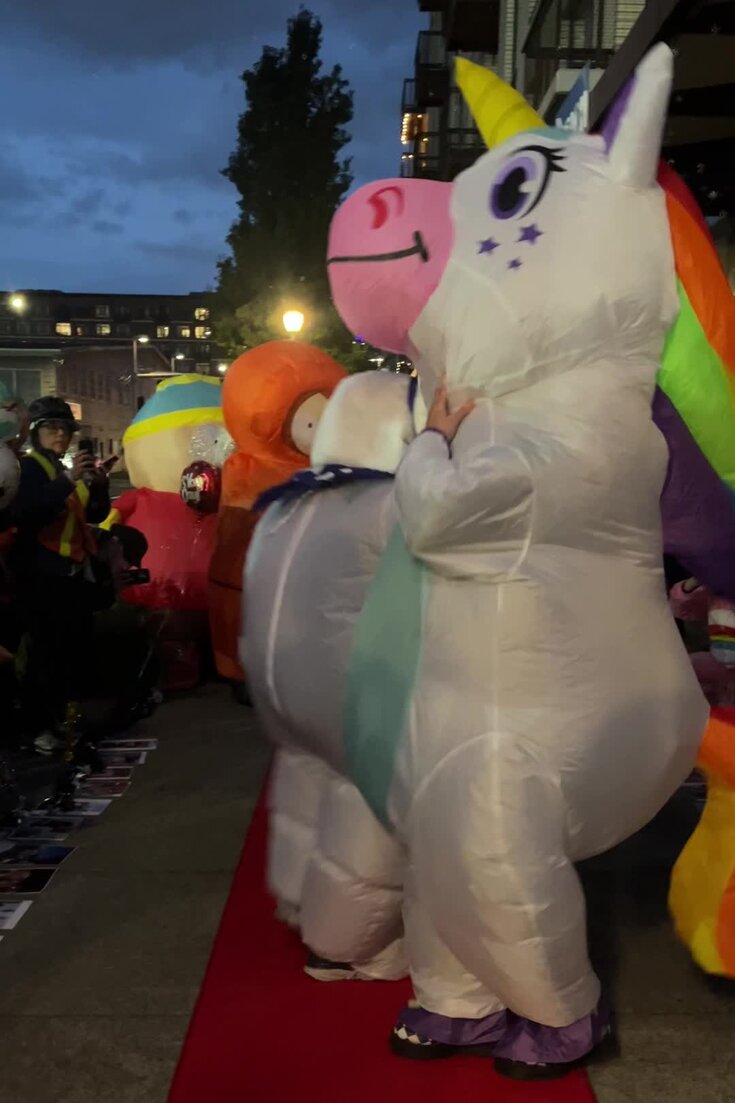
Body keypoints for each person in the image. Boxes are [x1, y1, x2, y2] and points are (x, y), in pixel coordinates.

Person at [10, 396, 110, 754]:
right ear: (36, 433)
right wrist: (68, 479)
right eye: (52, 427)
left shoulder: (59, 470)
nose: (61, 434)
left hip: (69, 576)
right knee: (43, 657)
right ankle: (37, 727)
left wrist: (98, 485)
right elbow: (27, 511)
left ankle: (63, 720)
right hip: (40, 578)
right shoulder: (29, 468)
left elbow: (93, 515)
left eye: (66, 429)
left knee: (71, 654)